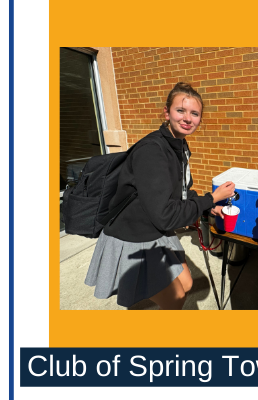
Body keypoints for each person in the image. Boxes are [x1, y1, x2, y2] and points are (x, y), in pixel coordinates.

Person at [85, 81, 236, 309]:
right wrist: (211, 198)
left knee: (185, 284)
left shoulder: (178, 146)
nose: (187, 118)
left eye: (194, 113)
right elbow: (165, 215)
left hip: (155, 229)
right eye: (180, 110)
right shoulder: (152, 151)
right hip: (134, 236)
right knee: (175, 298)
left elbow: (180, 191)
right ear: (167, 113)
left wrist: (207, 206)